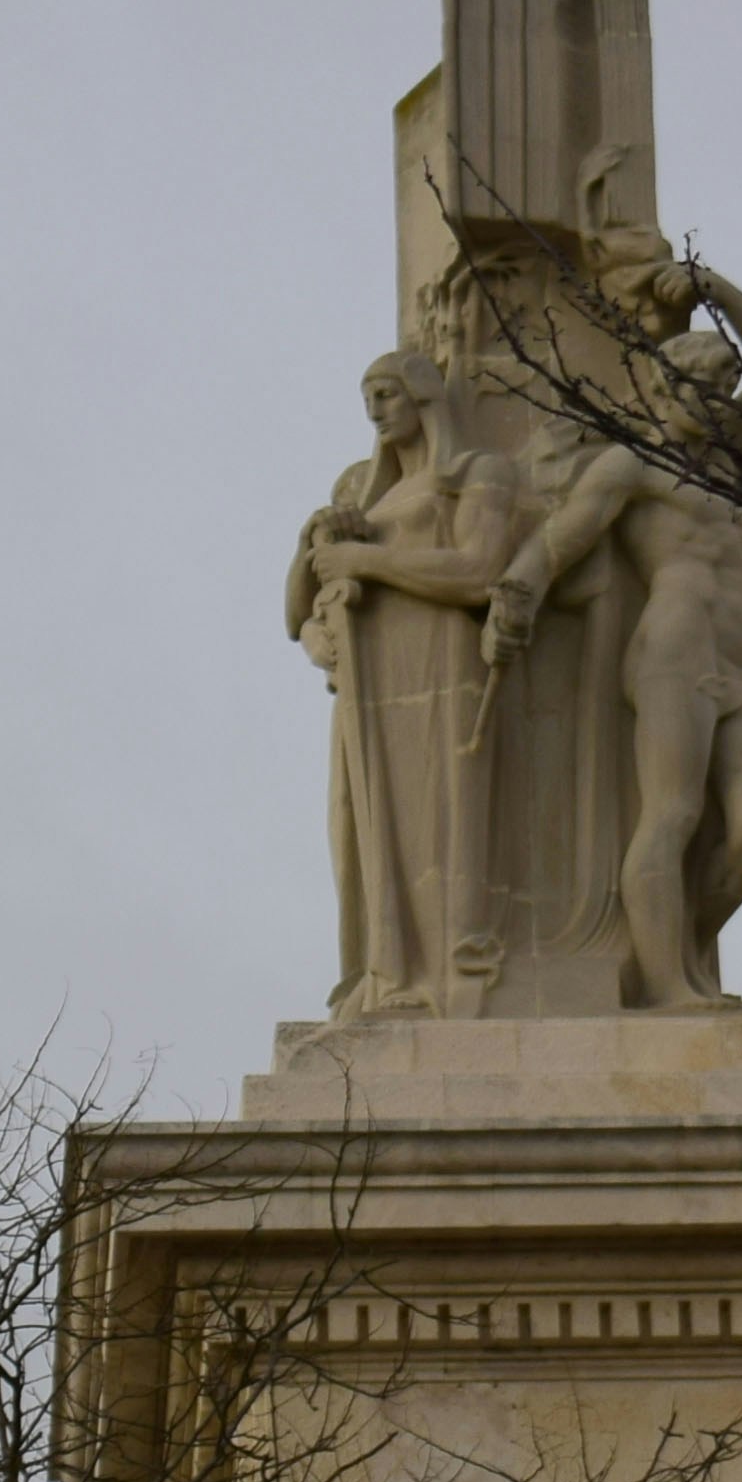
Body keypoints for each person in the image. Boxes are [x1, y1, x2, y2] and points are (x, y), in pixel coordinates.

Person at [479, 234, 742, 1013]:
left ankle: (683, 951)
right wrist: (515, 595)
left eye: (724, 383)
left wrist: (712, 285)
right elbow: (563, 538)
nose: (718, 397)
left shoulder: (736, 457)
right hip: (673, 650)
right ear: (668, 391)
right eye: (701, 383)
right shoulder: (634, 463)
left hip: (738, 667)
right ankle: (666, 984)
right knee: (674, 813)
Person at [292, 349, 512, 1013]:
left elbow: (479, 570)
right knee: (358, 828)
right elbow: (297, 608)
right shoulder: (371, 495)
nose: (376, 409)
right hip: (370, 680)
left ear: (422, 395)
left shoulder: (476, 473)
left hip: (442, 663)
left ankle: (448, 979)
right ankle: (386, 972)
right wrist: (319, 543)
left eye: (387, 393)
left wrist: (370, 557)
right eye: (369, 398)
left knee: (441, 820)